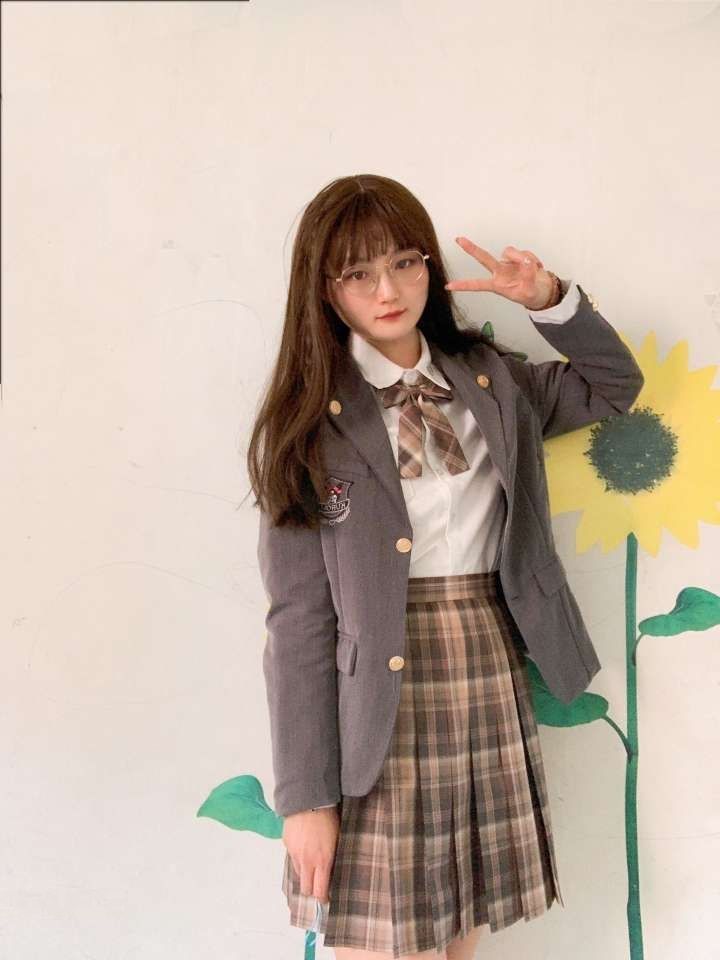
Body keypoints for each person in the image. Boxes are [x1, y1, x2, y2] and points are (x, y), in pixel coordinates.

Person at [246, 174, 644, 959]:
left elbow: (615, 385)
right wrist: (305, 796)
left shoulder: (491, 380)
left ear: (429, 265)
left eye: (404, 262)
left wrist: (549, 299)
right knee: (379, 941)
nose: (388, 290)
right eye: (358, 273)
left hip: (486, 669)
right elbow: (297, 622)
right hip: (375, 706)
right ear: (324, 290)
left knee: (459, 938)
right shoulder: (306, 426)